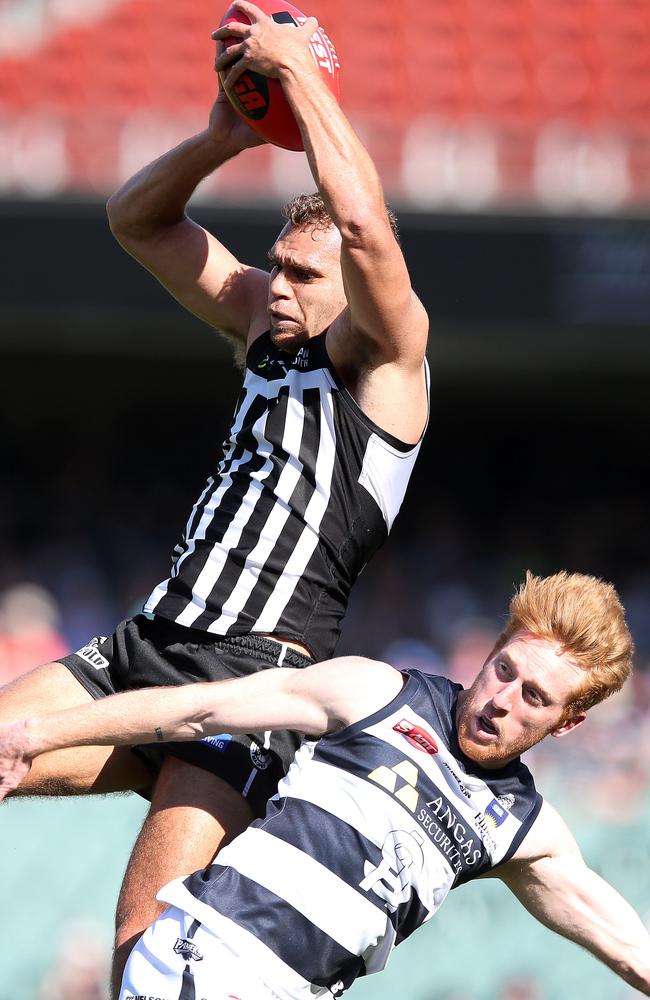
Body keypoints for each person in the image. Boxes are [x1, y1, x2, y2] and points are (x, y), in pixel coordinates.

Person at [0, 0, 429, 990]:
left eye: (302, 273)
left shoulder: (386, 361)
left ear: (351, 288)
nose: (277, 285)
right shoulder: (262, 331)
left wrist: (300, 75)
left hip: (251, 675)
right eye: (274, 263)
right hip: (148, 642)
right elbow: (135, 220)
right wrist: (220, 137)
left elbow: (360, 220)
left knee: (140, 955)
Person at [1, 572, 648, 999]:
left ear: (570, 722)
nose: (502, 699)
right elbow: (192, 710)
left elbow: (630, 953)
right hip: (203, 968)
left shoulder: (523, 828)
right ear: (492, 647)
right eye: (504, 668)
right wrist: (34, 736)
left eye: (534, 696)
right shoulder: (377, 694)